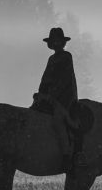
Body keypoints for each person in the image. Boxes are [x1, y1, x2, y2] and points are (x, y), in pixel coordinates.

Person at [31, 27, 86, 171]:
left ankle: (67, 155)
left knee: (58, 121)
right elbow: (45, 79)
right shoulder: (52, 58)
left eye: (57, 41)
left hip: (64, 99)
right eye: (53, 41)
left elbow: (64, 81)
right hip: (50, 97)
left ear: (62, 43)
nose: (55, 43)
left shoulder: (67, 57)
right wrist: (41, 93)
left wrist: (51, 96)